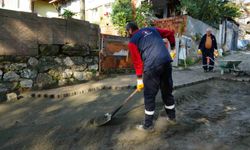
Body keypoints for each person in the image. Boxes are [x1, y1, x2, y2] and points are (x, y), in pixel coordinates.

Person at [126, 22, 176, 132]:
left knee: (149, 96)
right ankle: (172, 118)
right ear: (137, 28)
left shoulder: (133, 41)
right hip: (166, 63)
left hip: (152, 66)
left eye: (127, 32)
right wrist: (173, 48)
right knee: (167, 92)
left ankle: (148, 126)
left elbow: (137, 62)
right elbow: (170, 33)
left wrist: (139, 80)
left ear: (130, 31)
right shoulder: (152, 30)